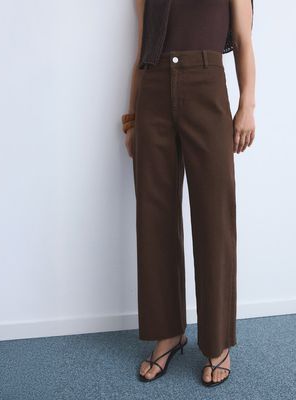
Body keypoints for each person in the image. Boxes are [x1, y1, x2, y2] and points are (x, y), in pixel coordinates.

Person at [121, 0, 255, 387]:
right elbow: (142, 51)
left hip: (206, 84)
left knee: (214, 219)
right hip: (153, 91)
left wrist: (247, 105)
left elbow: (243, 40)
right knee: (155, 218)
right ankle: (168, 332)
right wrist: (131, 119)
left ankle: (217, 342)